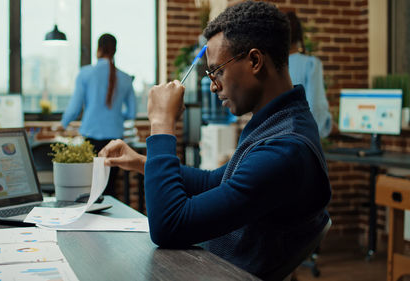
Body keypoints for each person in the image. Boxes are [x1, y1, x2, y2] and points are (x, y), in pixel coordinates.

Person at [99, 2, 331, 279]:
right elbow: (215, 182)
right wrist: (140, 162)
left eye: (218, 70)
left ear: (255, 61)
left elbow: (169, 226)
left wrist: (161, 124)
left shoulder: (285, 150)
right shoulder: (278, 124)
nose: (213, 85)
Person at [61, 33, 136, 196]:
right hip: (115, 141)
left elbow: (74, 108)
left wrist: (62, 124)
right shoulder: (126, 78)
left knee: (90, 188)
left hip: (90, 138)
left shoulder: (85, 73)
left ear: (98, 49)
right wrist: (115, 116)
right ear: (115, 51)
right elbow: (131, 113)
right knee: (109, 190)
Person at [287, 11, 332, 138]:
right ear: (300, 36)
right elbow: (316, 110)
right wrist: (328, 126)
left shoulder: (270, 66)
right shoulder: (310, 65)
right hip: (301, 140)